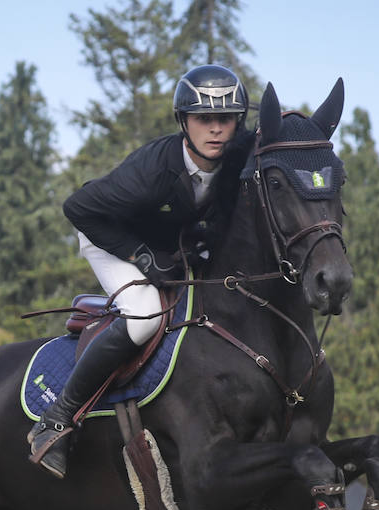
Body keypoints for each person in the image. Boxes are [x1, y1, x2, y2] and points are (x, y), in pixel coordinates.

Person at [27, 64, 255, 478]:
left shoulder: (237, 161)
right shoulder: (152, 171)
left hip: (168, 246)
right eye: (205, 119)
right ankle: (56, 420)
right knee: (145, 315)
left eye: (226, 119)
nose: (217, 129)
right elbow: (77, 209)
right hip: (109, 239)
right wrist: (140, 257)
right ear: (184, 122)